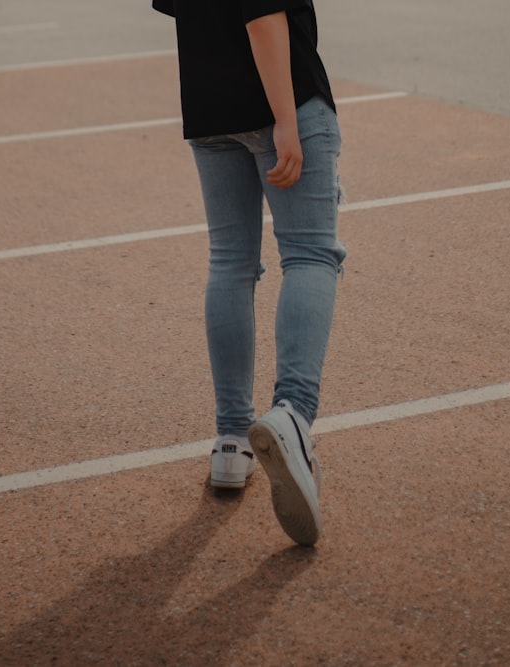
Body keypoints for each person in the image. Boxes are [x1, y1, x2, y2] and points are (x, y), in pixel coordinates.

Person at [153, 0, 345, 547]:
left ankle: (232, 441)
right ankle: (294, 416)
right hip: (280, 99)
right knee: (310, 255)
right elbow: (262, 14)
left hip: (209, 106)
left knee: (231, 261)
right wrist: (286, 119)